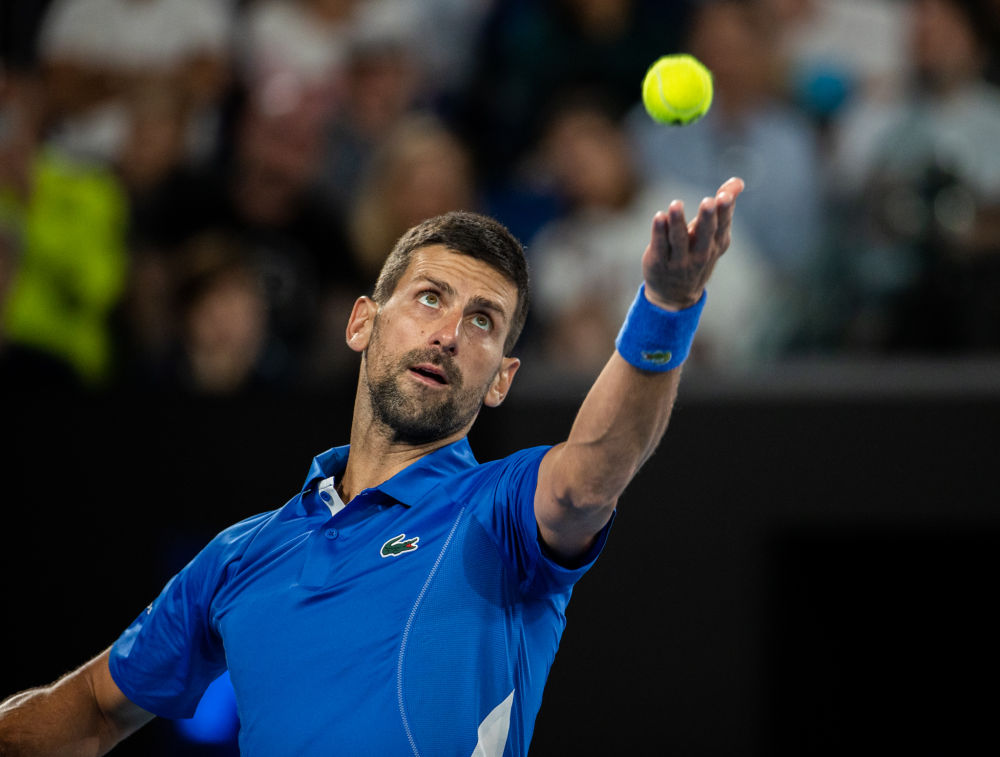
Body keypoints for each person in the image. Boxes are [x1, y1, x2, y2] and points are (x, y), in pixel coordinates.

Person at [0, 176, 745, 756]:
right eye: (430, 298)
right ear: (362, 322)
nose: (449, 333)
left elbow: (593, 472)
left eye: (482, 320)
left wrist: (665, 308)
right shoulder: (238, 557)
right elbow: (93, 708)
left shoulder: (500, 510)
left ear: (502, 379)